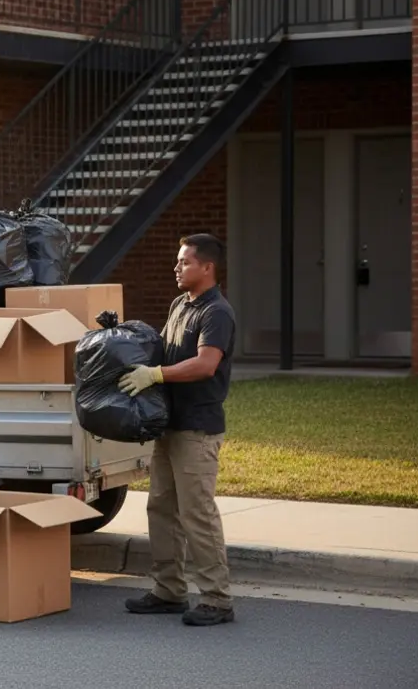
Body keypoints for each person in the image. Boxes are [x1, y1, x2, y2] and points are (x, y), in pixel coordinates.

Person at [118, 233, 237, 627]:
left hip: (196, 430)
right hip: (168, 426)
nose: (177, 268)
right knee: (162, 509)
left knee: (196, 514)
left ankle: (217, 600)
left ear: (208, 267)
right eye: (177, 261)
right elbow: (165, 351)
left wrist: (155, 374)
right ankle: (168, 592)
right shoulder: (179, 305)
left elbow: (205, 364)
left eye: (184, 262)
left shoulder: (216, 312)